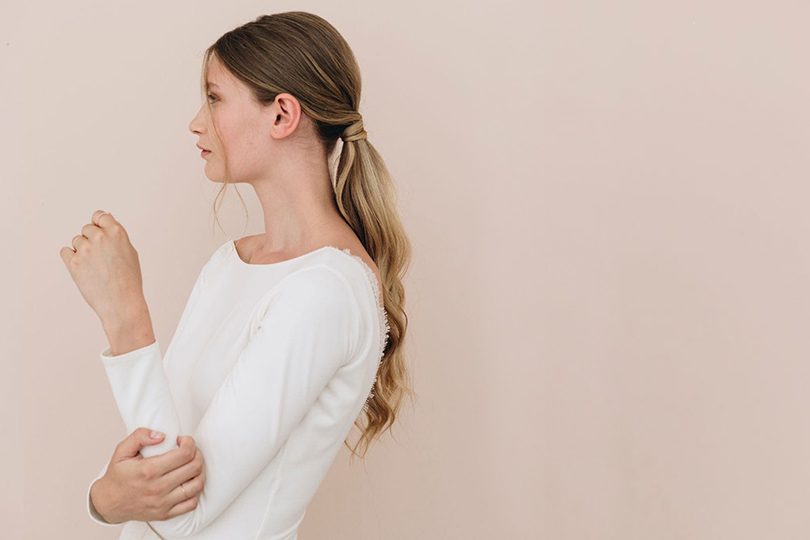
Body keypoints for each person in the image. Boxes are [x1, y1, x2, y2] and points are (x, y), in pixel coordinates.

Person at [81, 11, 412, 539]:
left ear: (282, 114)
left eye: (214, 98)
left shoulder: (326, 291)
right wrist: (103, 498)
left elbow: (181, 513)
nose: (196, 122)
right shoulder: (229, 263)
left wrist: (125, 318)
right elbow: (160, 450)